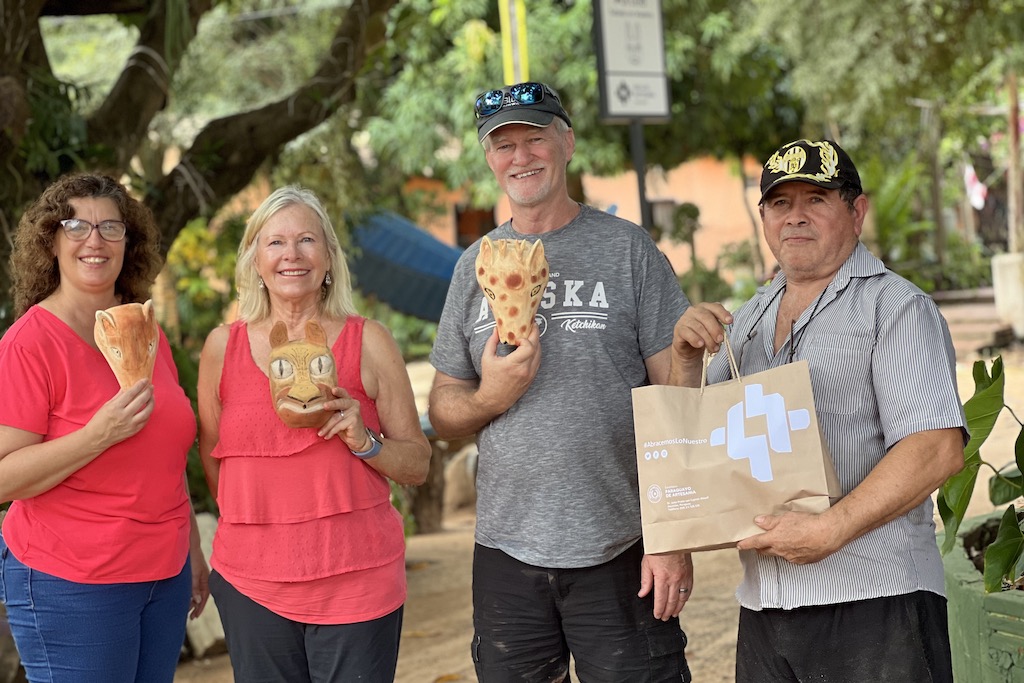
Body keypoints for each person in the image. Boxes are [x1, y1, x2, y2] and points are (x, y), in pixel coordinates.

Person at [670, 139, 967, 682]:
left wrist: (831, 529)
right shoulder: (748, 320)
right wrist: (687, 362)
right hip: (765, 607)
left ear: (857, 211)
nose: (796, 217)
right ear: (763, 218)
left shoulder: (895, 308)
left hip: (875, 602)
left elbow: (937, 447)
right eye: (780, 203)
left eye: (817, 198)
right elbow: (694, 449)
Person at [428, 81, 693, 682]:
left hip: (620, 544)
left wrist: (673, 534)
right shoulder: (474, 265)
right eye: (503, 145)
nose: (520, 157)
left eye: (534, 138)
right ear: (489, 159)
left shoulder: (627, 250)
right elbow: (443, 410)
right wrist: (491, 396)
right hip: (506, 552)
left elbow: (675, 405)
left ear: (567, 142)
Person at [198, 185, 431, 682]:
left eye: (306, 240)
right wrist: (263, 528)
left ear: (328, 257)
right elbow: (213, 456)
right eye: (275, 242)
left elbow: (416, 463)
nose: (291, 255)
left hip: (357, 578)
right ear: (255, 260)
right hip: (251, 583)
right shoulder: (222, 347)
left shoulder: (369, 340)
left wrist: (364, 440)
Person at [0, 172, 210, 683]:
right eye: (76, 225)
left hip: (163, 575)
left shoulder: (145, 329)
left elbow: (166, 451)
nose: (94, 240)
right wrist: (99, 434)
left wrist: (193, 550)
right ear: (51, 241)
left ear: (128, 242)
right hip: (72, 579)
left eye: (110, 227)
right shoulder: (29, 343)